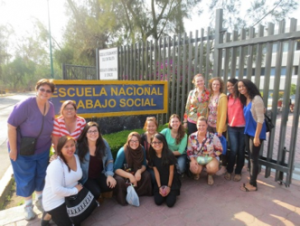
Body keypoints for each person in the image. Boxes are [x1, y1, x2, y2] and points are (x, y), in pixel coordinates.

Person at [7, 79, 55, 220]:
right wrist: (14, 149)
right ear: (36, 89)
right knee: (26, 177)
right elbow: (11, 126)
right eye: (42, 89)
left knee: (41, 174)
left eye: (48, 91)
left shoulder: (51, 106)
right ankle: (28, 205)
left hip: (43, 148)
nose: (44, 93)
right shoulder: (25, 105)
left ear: (51, 94)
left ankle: (40, 198)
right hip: (23, 149)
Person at [42, 136, 83, 226]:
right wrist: (75, 190)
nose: (70, 148)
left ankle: (50, 215)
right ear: (60, 149)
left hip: (67, 196)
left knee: (78, 220)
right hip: (54, 201)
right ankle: (49, 214)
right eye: (66, 146)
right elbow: (56, 190)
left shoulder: (76, 157)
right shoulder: (56, 165)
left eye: (72, 145)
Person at [237, 79, 266, 192]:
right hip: (248, 131)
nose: (241, 88)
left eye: (243, 86)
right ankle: (252, 179)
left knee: (253, 159)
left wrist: (257, 136)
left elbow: (260, 119)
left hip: (256, 133)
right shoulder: (245, 99)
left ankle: (253, 184)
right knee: (251, 158)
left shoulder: (256, 99)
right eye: (239, 87)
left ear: (249, 86)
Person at [77, 121, 116, 200]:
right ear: (85, 134)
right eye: (90, 131)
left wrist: (109, 175)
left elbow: (109, 159)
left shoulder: (103, 143)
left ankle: (97, 188)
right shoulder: (79, 146)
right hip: (86, 177)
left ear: (99, 132)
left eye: (95, 131)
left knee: (110, 186)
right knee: (96, 193)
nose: (93, 133)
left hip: (99, 174)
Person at [114, 132, 152, 205]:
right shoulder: (123, 151)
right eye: (131, 141)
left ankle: (138, 193)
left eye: (136, 141)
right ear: (128, 141)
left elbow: (144, 164)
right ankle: (124, 197)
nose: (134, 143)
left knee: (147, 175)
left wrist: (139, 171)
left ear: (139, 141)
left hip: (136, 170)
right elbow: (116, 169)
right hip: (124, 172)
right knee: (119, 181)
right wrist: (130, 176)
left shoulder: (142, 149)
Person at [187, 116, 223, 185]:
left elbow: (220, 149)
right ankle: (197, 172)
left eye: (203, 125)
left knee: (212, 168)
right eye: (199, 125)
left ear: (207, 125)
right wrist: (193, 160)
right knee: (194, 169)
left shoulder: (212, 136)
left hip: (210, 157)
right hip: (197, 157)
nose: (201, 127)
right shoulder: (192, 136)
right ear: (196, 125)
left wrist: (212, 155)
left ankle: (210, 174)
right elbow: (189, 151)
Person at [149, 133, 181, 207]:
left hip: (171, 181)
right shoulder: (152, 155)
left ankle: (171, 192)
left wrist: (169, 187)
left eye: (159, 142)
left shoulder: (169, 154)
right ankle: (162, 192)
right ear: (151, 143)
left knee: (170, 203)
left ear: (163, 142)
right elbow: (156, 172)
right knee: (158, 202)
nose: (157, 144)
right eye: (154, 142)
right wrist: (160, 187)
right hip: (160, 180)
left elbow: (171, 171)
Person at [224, 78, 246, 182]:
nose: (230, 87)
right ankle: (229, 170)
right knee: (233, 150)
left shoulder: (243, 97)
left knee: (241, 151)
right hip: (231, 127)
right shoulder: (228, 98)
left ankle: (238, 171)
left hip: (243, 128)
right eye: (228, 86)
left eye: (232, 85)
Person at [207, 77, 227, 176]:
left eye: (217, 84)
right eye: (214, 84)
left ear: (220, 86)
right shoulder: (210, 96)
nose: (215, 86)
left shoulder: (222, 96)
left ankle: (222, 166)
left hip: (217, 126)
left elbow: (223, 114)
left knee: (220, 146)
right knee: (210, 146)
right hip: (209, 124)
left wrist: (220, 129)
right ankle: (211, 165)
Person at [140, 116, 158, 183]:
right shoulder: (142, 138)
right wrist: (144, 160)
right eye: (149, 126)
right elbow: (138, 151)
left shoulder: (160, 137)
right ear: (145, 127)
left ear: (156, 126)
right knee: (153, 177)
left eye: (153, 126)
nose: (151, 128)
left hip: (158, 163)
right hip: (146, 163)